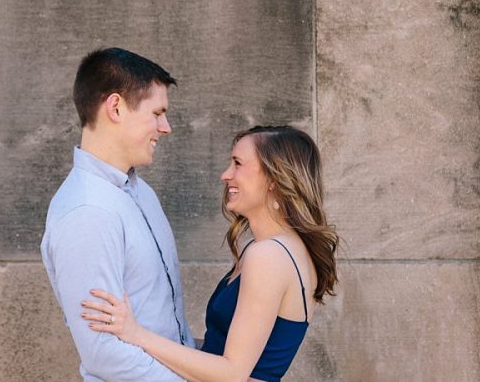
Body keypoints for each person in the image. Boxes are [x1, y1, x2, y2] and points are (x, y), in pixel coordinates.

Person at [82, 125, 339, 382]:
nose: (225, 175)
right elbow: (223, 349)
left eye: (237, 164)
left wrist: (137, 334)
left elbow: (231, 373)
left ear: (274, 179)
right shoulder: (278, 249)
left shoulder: (269, 256)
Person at [42, 47, 194, 381]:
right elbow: (103, 354)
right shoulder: (87, 212)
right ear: (115, 107)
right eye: (157, 113)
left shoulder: (141, 193)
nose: (165, 127)